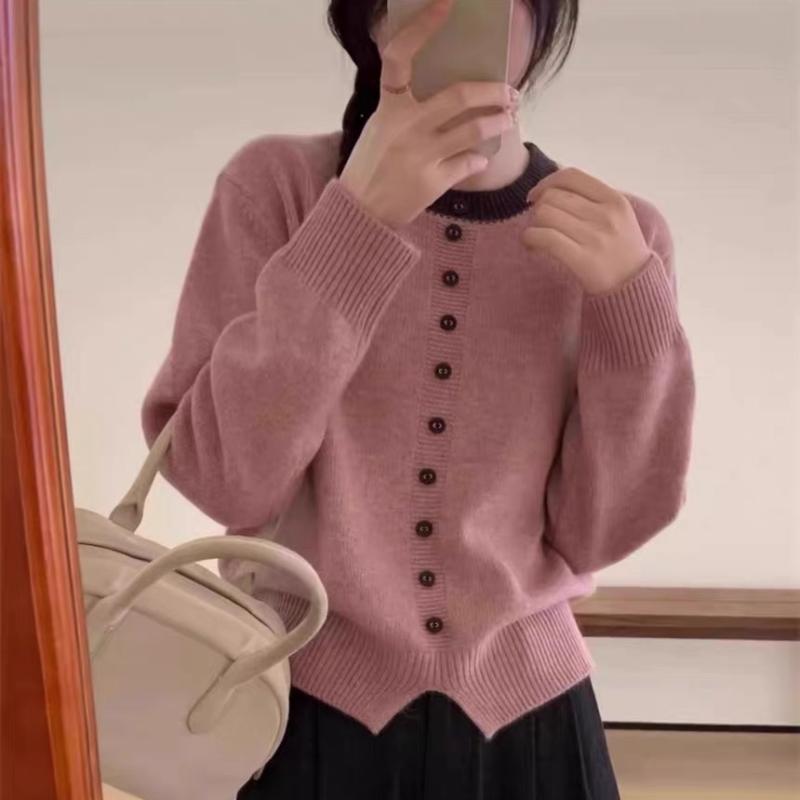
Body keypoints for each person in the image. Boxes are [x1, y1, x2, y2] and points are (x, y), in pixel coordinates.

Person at [140, 0, 695, 797]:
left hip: (535, 724)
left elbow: (599, 532)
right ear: (370, 18)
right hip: (300, 703)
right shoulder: (279, 188)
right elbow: (225, 480)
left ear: (543, 19)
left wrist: (630, 309)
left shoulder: (620, 236)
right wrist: (355, 224)